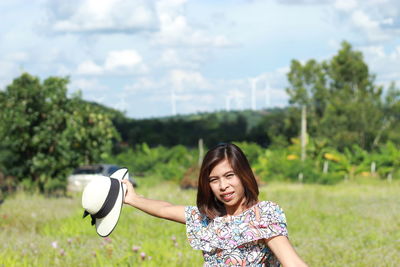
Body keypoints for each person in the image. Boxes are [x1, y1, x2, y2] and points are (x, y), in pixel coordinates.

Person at [122, 143, 307, 266]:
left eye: (229, 176)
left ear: (244, 175)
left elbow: (292, 262)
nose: (223, 186)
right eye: (214, 179)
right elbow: (165, 209)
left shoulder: (263, 214)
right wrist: (133, 198)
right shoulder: (206, 219)